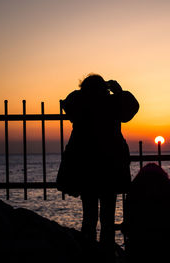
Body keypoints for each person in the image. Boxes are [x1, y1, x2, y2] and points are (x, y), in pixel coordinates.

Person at [61, 74, 139, 253]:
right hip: (109, 167)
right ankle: (106, 253)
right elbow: (132, 107)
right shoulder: (111, 104)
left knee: (89, 215)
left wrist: (87, 92)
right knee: (107, 217)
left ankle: (88, 252)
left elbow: (68, 102)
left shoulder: (80, 104)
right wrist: (118, 91)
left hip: (87, 166)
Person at [122, 163, 170, 263]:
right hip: (169, 248)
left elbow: (126, 226)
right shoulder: (167, 192)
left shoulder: (134, 194)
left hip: (138, 248)